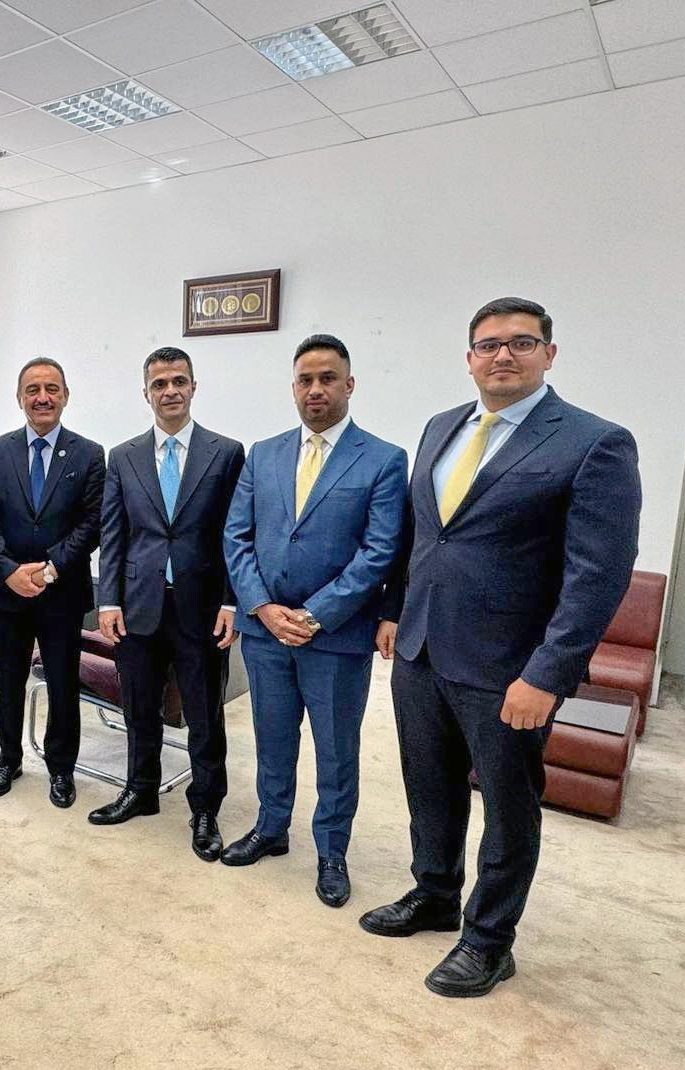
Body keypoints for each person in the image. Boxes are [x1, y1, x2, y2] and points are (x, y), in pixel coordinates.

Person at [362, 297, 640, 997]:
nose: (503, 355)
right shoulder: (441, 427)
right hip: (422, 651)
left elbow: (597, 576)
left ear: (550, 353)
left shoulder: (594, 442)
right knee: (428, 786)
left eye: (521, 342)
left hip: (510, 667)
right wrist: (394, 612)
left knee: (509, 807)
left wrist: (548, 674)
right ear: (469, 359)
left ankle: (489, 939)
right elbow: (423, 535)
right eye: (488, 345)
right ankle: (434, 893)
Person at [221, 334, 407, 907]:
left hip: (336, 638)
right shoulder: (264, 454)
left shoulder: (383, 459)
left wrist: (314, 615)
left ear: (349, 385)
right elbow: (236, 537)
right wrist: (262, 606)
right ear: (294, 388)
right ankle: (271, 827)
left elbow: (380, 551)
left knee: (335, 751)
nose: (316, 389)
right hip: (266, 632)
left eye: (328, 378)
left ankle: (332, 851)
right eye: (306, 380)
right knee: (272, 739)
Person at [91, 346, 244, 862]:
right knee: (139, 707)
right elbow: (114, 534)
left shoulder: (226, 453)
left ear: (194, 387)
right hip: (139, 606)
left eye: (179, 381)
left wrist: (231, 602)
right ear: (147, 394)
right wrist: (108, 600)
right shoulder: (124, 456)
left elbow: (235, 534)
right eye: (160, 384)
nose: (170, 391)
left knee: (204, 713)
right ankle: (140, 790)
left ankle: (205, 808)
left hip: (201, 608)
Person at [0, 357, 104, 807]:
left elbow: (91, 523)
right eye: (33, 390)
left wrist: (49, 569)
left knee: (63, 684)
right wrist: (9, 570)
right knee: (7, 680)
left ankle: (61, 768)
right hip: (8, 590)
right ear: (20, 398)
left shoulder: (89, 454)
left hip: (61, 592)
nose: (42, 397)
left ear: (65, 396)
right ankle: (8, 759)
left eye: (51, 389)